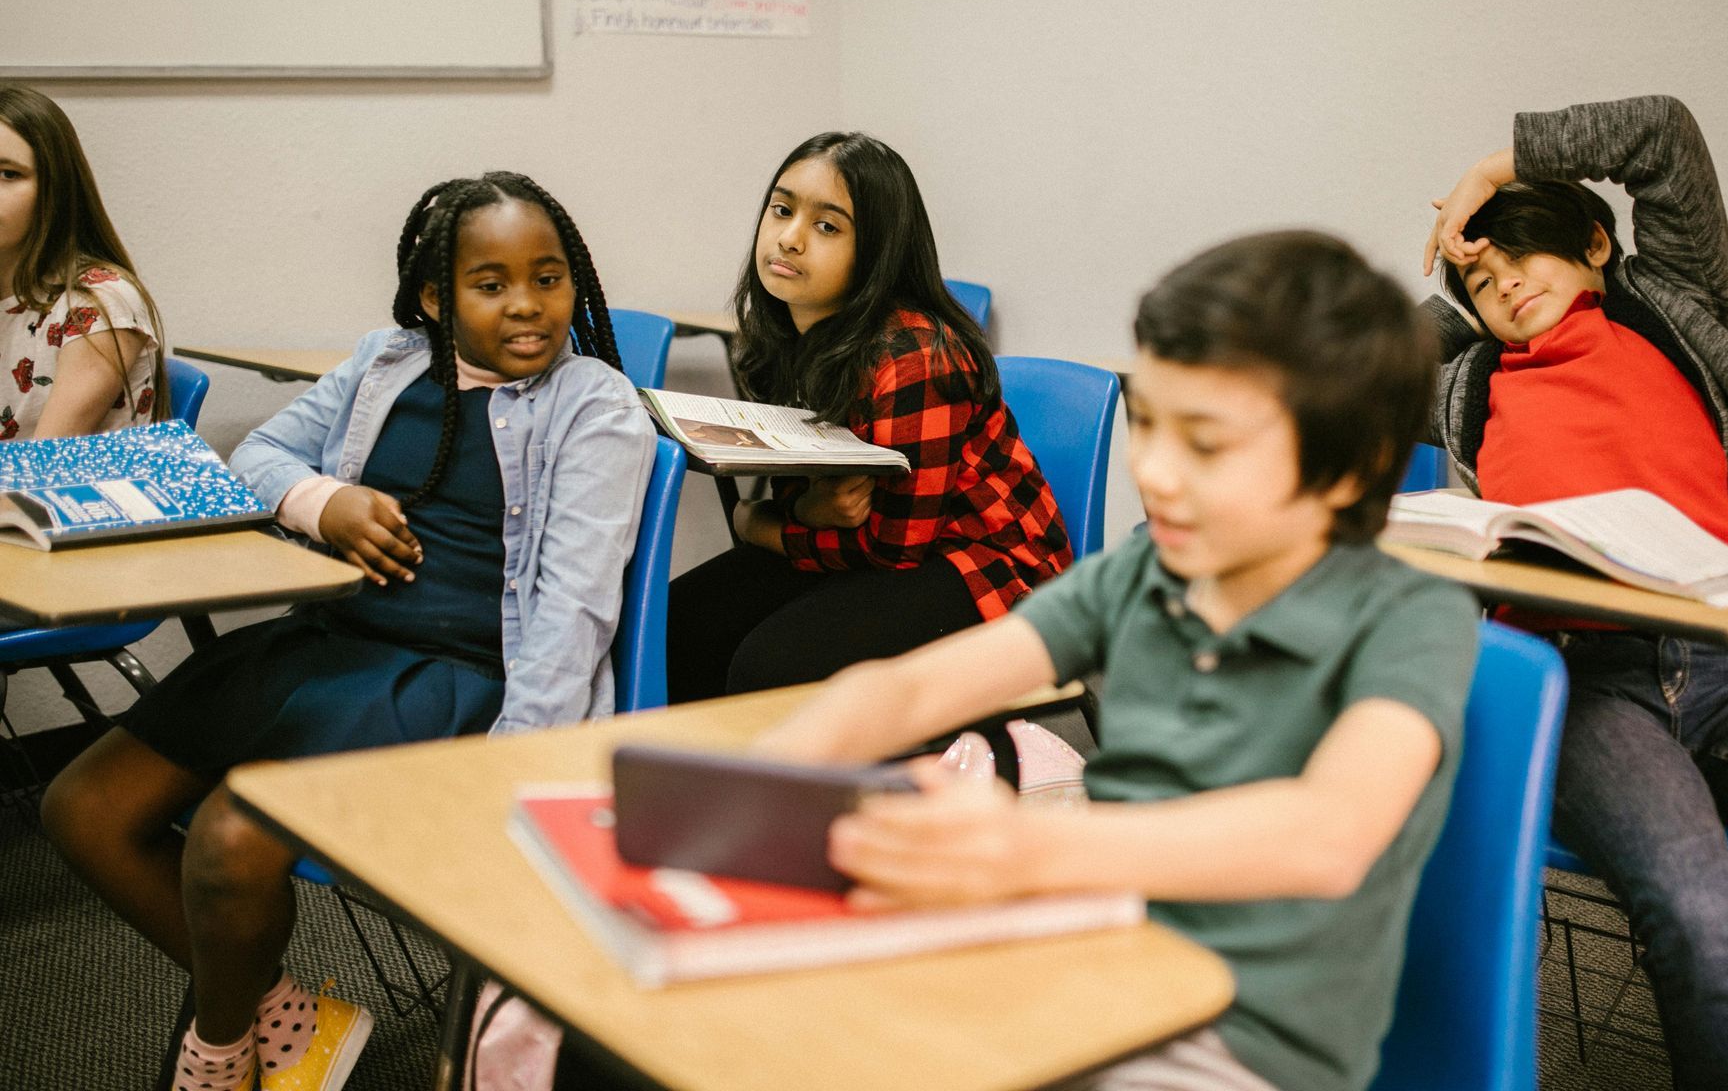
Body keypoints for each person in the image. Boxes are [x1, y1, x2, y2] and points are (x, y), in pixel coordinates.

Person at [748, 232, 1479, 1091]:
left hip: (1237, 1044)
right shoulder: (1146, 571)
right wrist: (754, 790)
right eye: (1149, 425)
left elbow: (1326, 834)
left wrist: (1028, 848)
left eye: (1204, 445)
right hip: (1089, 961)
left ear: (1347, 469)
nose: (1154, 474)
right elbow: (911, 687)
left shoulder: (1411, 617)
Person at [42, 171, 653, 1091]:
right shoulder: (385, 362)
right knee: (81, 807)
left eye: (550, 275)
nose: (528, 305)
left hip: (458, 676)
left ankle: (217, 1046)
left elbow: (573, 615)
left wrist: (511, 773)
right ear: (436, 298)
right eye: (491, 284)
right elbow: (255, 454)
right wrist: (320, 503)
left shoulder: (593, 405)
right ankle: (287, 1019)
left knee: (228, 842)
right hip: (329, 644)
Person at [1422, 94, 1728, 1091]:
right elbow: (1345, 363)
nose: (1504, 279)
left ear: (1597, 244)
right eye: (1481, 277)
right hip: (1585, 684)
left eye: (1523, 252)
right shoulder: (1469, 380)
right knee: (1702, 915)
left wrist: (1496, 169)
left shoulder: (1681, 312)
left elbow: (1664, 138)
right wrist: (1451, 275)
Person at [666, 132, 1071, 701]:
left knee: (768, 666)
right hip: (880, 548)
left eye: (827, 227)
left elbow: (894, 547)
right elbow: (819, 490)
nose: (789, 238)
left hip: (988, 569)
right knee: (681, 625)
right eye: (782, 210)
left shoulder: (916, 357)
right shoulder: (787, 332)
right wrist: (804, 510)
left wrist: (761, 526)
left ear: (878, 252)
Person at [0, 84, 166, 439]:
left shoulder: (99, 303)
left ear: (55, 189)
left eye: (8, 174)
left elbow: (41, 469)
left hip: (50, 493)